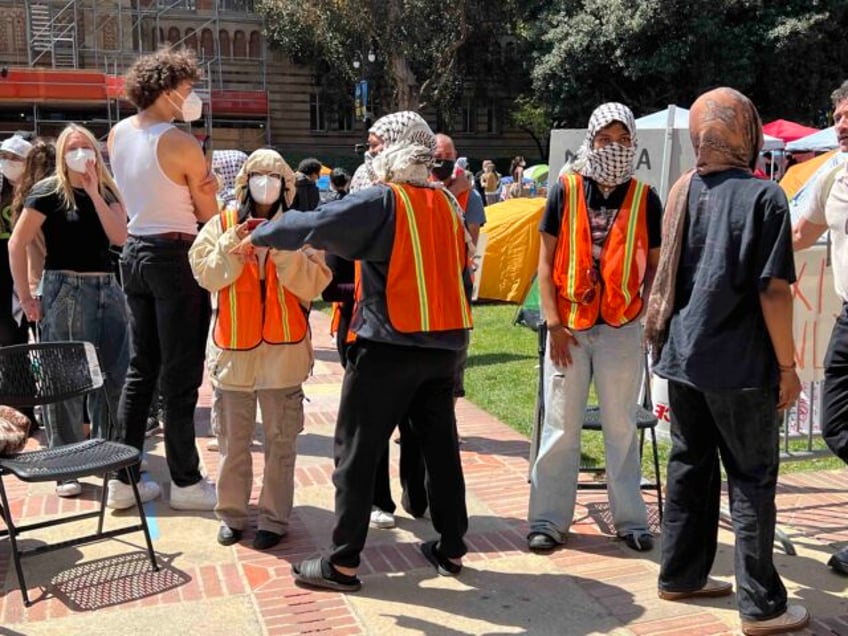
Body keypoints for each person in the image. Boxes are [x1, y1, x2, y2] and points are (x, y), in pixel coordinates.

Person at [231, 110, 472, 592]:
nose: (371, 152)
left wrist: (259, 232)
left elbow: (319, 221)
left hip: (388, 346)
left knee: (356, 454)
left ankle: (342, 563)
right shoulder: (447, 203)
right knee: (441, 449)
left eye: (378, 143)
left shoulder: (386, 200)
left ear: (398, 147)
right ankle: (450, 547)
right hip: (444, 346)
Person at [645, 87, 809, 635]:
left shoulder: (682, 189)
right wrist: (788, 367)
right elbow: (774, 291)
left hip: (683, 359)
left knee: (690, 469)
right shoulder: (765, 198)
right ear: (749, 131)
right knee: (752, 479)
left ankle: (681, 575)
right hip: (740, 370)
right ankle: (761, 605)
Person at [527, 102, 661, 554]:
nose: (614, 148)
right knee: (561, 425)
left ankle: (630, 520)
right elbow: (545, 263)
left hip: (622, 328)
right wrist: (554, 324)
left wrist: (645, 318)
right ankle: (547, 519)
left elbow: (656, 268)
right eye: (606, 139)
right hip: (570, 328)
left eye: (623, 139)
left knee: (621, 426)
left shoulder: (646, 198)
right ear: (591, 139)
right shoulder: (565, 191)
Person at [190, 148, 331, 550]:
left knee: (280, 444)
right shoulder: (222, 224)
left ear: (286, 184)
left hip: (284, 359)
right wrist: (231, 247)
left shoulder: (301, 229)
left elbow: (314, 284)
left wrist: (284, 252)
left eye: (273, 177)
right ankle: (232, 515)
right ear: (244, 181)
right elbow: (205, 275)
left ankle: (273, 518)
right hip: (234, 355)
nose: (265, 184)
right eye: (257, 176)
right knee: (233, 444)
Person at [107, 47, 220, 511]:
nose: (191, 97)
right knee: (180, 375)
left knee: (141, 369)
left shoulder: (116, 134)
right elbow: (208, 213)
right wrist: (204, 189)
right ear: (169, 90)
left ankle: (123, 476)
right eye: (187, 90)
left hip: (135, 252)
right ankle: (186, 481)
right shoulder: (179, 142)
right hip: (175, 254)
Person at [9, 124, 129, 498]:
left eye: (86, 147)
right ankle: (65, 465)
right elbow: (17, 243)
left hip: (107, 288)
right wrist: (27, 297)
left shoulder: (108, 191)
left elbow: (120, 237)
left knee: (112, 376)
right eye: (73, 148)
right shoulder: (47, 193)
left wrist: (93, 192)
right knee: (65, 379)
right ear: (62, 155)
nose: (81, 154)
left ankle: (107, 455)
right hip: (64, 289)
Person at [792, 78, 848, 578]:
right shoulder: (834, 173)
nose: (843, 124)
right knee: (837, 425)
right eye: (837, 117)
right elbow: (799, 233)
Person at [0, 135, 32, 351]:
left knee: (29, 321)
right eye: (3, 156)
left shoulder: (35, 189)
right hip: (2, 261)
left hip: (29, 258)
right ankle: (16, 381)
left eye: (15, 157)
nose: (8, 161)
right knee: (7, 328)